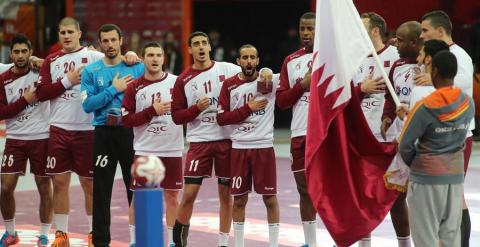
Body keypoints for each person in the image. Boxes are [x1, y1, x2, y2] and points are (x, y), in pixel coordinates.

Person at [36, 17, 105, 247]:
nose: (66, 36)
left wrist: (131, 57)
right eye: (62, 32)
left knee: (89, 184)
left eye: (69, 32)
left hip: (87, 130)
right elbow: (42, 93)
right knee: (60, 183)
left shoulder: (95, 57)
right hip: (59, 130)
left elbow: (118, 64)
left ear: (78, 33)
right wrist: (67, 81)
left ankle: (94, 233)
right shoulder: (51, 60)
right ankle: (61, 235)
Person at [171, 31, 240, 247]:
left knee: (225, 193)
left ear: (209, 47)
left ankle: (223, 243)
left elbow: (252, 75)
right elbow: (176, 116)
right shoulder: (184, 79)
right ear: (189, 49)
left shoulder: (228, 69)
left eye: (204, 43)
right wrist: (195, 109)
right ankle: (179, 242)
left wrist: (265, 72)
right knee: (189, 194)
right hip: (199, 141)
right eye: (196, 44)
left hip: (225, 140)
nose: (201, 47)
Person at [400, 50, 474, 247]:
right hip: (455, 177)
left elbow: (405, 144)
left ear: (435, 71)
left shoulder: (425, 106)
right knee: (451, 236)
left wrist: (416, 162)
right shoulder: (468, 103)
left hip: (426, 178)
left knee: (426, 238)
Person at [80, 24, 144, 247]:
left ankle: (140, 240)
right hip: (103, 135)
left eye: (113, 40)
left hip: (130, 134)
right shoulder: (91, 71)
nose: (109, 44)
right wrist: (113, 88)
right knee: (101, 190)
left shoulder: (136, 67)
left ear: (121, 41)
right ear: (100, 43)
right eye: (105, 41)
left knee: (135, 187)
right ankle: (100, 243)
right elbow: (88, 105)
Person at [419, 11, 474, 246]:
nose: (422, 35)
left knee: (455, 198)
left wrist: (430, 79)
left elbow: (462, 83)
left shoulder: (459, 56)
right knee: (447, 199)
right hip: (442, 136)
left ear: (440, 31)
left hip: (458, 136)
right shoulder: (439, 57)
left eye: (425, 30)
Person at [217, 44, 279, 247]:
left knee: (269, 199)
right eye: (245, 58)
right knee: (240, 200)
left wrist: (269, 71)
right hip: (239, 148)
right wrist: (248, 108)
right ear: (238, 62)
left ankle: (273, 244)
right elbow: (222, 118)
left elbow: (295, 80)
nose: (249, 61)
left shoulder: (269, 80)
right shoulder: (229, 85)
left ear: (258, 61)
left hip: (264, 147)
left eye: (253, 57)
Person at [121, 42, 183, 247]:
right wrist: (152, 111)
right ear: (143, 58)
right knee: (139, 200)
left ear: (163, 59)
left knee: (172, 196)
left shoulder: (177, 83)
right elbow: (126, 120)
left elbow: (187, 112)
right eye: (150, 55)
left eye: (158, 55)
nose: (155, 59)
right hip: (146, 150)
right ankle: (133, 242)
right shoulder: (134, 87)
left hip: (172, 149)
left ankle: (173, 242)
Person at [0, 34, 52, 247]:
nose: (20, 55)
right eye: (16, 52)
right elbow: (2, 112)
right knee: (5, 188)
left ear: (31, 52)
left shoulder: (42, 71)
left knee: (43, 186)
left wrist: (43, 62)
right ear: (10, 54)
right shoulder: (3, 76)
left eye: (24, 51)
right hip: (15, 139)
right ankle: (11, 232)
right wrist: (24, 100)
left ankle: (44, 234)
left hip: (42, 137)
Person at [275, 12, 317, 247]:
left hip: (325, 133)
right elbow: (282, 101)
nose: (306, 33)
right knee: (304, 190)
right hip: (300, 132)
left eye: (310, 29)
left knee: (330, 189)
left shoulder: (332, 58)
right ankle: (310, 243)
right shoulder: (291, 61)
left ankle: (338, 239)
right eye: (303, 28)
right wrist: (302, 85)